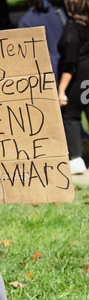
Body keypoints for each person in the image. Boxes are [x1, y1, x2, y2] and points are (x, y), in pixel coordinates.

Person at [58, 0, 89, 174]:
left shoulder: (72, 29)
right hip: (88, 80)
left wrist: (61, 90)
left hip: (79, 79)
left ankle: (76, 158)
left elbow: (70, 64)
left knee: (70, 115)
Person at [18, 0, 66, 85]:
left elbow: (26, 55)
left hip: (46, 75)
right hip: (66, 70)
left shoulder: (26, 21)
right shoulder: (59, 13)